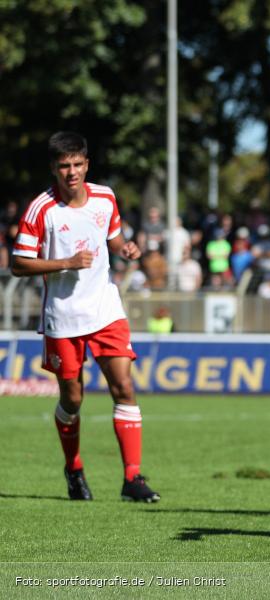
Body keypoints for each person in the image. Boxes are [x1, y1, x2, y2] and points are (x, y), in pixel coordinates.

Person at [10, 131, 160, 502]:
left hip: (105, 308)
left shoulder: (105, 197)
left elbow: (112, 236)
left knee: (124, 386)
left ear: (87, 164)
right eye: (64, 166)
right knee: (73, 399)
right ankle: (74, 468)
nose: (71, 172)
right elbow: (18, 264)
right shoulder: (39, 210)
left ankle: (133, 478)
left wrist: (123, 247)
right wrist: (66, 263)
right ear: (54, 168)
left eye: (77, 164)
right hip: (63, 317)